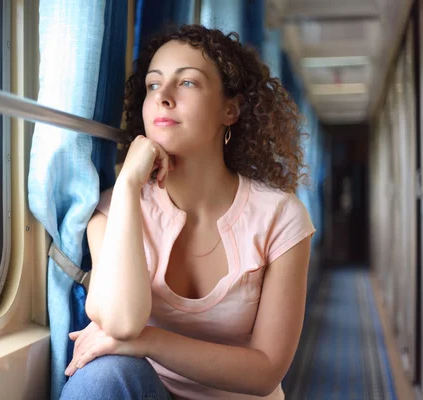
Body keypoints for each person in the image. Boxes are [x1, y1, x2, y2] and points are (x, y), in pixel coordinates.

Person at [60, 24, 315, 400]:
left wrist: (146, 342)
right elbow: (119, 322)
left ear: (231, 109)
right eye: (152, 85)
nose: (163, 96)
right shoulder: (113, 210)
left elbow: (265, 371)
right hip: (150, 393)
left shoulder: (281, 216)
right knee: (103, 377)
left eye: (188, 83)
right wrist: (129, 183)